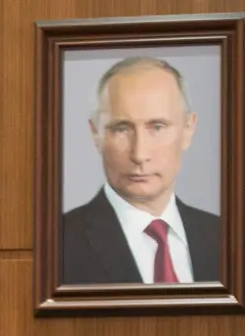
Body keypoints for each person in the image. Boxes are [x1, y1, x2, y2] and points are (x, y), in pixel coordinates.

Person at [61, 56, 222, 285]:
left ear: (188, 130)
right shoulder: (56, 246)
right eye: (121, 129)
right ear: (96, 134)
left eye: (157, 127)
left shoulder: (227, 239)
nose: (139, 154)